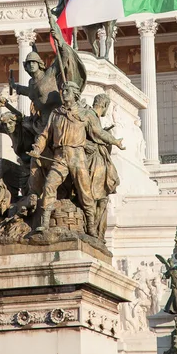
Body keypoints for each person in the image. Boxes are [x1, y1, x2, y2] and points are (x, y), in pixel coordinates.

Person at [28, 82, 125, 237]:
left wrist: (115, 142)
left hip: (77, 156)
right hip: (60, 156)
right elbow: (45, 134)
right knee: (49, 186)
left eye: (67, 90)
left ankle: (91, 226)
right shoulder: (56, 113)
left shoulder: (85, 114)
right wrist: (37, 148)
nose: (63, 92)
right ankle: (44, 223)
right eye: (63, 90)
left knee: (85, 192)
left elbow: (99, 132)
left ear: (75, 94)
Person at [85, 93, 120, 241]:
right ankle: (91, 227)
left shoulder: (94, 117)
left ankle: (97, 230)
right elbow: (96, 133)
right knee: (95, 196)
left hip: (99, 158)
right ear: (105, 106)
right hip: (93, 159)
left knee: (102, 198)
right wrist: (114, 141)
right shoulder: (90, 114)